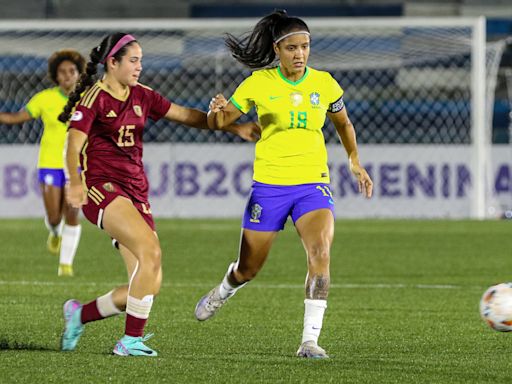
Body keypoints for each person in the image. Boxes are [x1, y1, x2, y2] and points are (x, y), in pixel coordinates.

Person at [59, 32, 260, 357]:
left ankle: (79, 315)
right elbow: (72, 145)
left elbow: (187, 115)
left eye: (141, 60)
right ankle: (130, 342)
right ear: (113, 63)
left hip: (135, 192)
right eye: (133, 60)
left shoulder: (142, 95)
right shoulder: (94, 98)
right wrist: (75, 181)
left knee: (146, 284)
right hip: (102, 190)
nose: (139, 66)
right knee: (151, 252)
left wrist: (233, 127)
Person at [194, 10, 373, 359]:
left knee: (320, 252)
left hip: (312, 184)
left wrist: (354, 160)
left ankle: (310, 341)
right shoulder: (258, 83)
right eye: (292, 47)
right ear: (277, 50)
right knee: (249, 268)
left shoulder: (324, 84)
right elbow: (220, 121)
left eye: (305, 46)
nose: (300, 54)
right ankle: (224, 289)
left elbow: (344, 123)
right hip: (270, 186)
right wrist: (218, 111)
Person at [0, 49, 86, 277]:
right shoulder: (45, 98)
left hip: (77, 166)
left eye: (71, 71)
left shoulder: (89, 100)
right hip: (50, 163)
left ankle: (65, 265)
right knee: (55, 216)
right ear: (55, 76)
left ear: (79, 74)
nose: (67, 76)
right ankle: (55, 232)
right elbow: (17, 118)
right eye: (62, 72)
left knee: (72, 213)